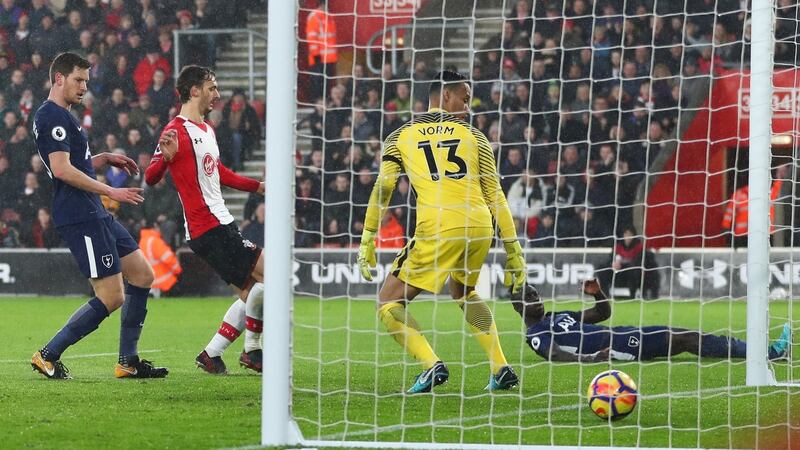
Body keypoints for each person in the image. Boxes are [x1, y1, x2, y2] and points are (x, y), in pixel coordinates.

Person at [357, 70, 527, 394]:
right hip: (479, 226)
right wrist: (513, 250)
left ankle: (431, 364)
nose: (468, 106)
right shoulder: (475, 136)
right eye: (464, 98)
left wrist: (368, 237)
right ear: (445, 96)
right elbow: (496, 195)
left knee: (387, 302)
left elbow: (384, 189)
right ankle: (500, 366)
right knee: (463, 293)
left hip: (438, 226)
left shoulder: (400, 136)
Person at [30, 52, 168, 380]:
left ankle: (127, 362)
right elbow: (61, 170)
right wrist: (111, 191)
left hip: (93, 211)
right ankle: (47, 355)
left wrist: (102, 158)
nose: (83, 87)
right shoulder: (52, 117)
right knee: (111, 295)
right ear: (59, 78)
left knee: (142, 275)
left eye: (87, 82)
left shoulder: (65, 115)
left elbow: (72, 163)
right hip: (80, 216)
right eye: (78, 80)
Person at [144, 65, 265, 373]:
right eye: (212, 87)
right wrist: (167, 157)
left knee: (254, 292)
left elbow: (219, 172)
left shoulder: (208, 130)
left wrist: (258, 186)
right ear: (194, 90)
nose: (218, 94)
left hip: (221, 224)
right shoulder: (175, 131)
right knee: (269, 281)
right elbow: (151, 176)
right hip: (207, 228)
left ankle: (212, 354)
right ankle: (252, 350)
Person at [511, 279, 791, 362]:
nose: (538, 299)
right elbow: (554, 354)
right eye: (531, 298)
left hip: (624, 333)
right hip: (624, 348)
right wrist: (593, 358)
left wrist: (598, 294)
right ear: (519, 308)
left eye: (536, 294)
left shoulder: (558, 316)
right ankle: (768, 354)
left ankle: (762, 353)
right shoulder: (536, 333)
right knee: (689, 339)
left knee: (688, 336)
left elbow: (601, 314)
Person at [305, 0, 337, 102]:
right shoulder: (315, 17)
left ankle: (322, 103)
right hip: (319, 59)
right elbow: (312, 38)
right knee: (318, 84)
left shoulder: (328, 17)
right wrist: (316, 56)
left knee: (325, 85)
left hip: (328, 59)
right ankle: (317, 104)